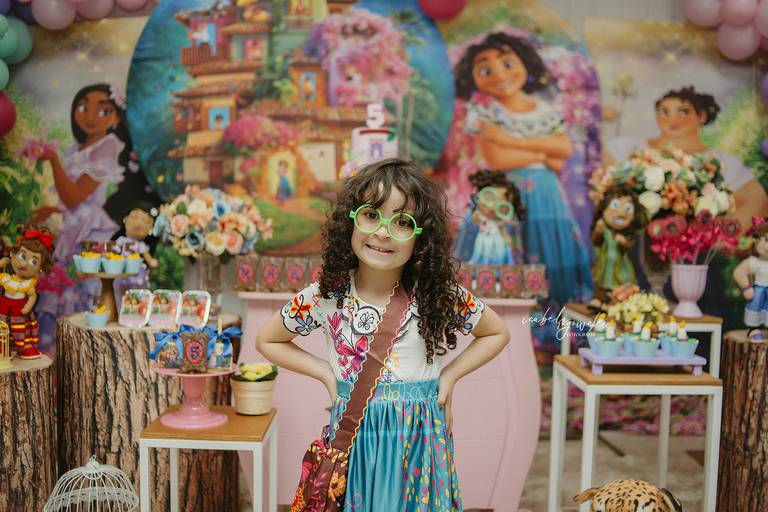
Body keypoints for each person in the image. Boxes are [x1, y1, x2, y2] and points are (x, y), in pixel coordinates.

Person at [256, 159, 510, 511]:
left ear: (421, 237)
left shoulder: (436, 293)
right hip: (355, 438)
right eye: (371, 215)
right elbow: (268, 340)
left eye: (402, 222)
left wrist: (449, 377)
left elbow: (496, 332)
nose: (383, 232)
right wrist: (326, 373)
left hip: (420, 440)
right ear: (350, 221)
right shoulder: (326, 296)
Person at [454, 32, 593, 303]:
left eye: (507, 63)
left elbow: (563, 150)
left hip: (546, 195)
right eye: (485, 69)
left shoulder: (546, 110)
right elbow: (498, 160)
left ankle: (549, 317)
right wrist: (542, 152)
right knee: (502, 252)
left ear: (525, 62)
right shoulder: (483, 112)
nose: (499, 74)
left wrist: (506, 138)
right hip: (503, 194)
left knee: (547, 250)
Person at [606, 85, 768, 234]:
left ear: (702, 116)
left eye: (683, 112)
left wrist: (716, 238)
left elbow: (758, 201)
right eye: (664, 112)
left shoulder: (724, 161)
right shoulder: (629, 147)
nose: (672, 120)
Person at [0, 228, 54, 359]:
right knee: (2, 327)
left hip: (20, 311)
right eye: (22, 256)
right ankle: (3, 347)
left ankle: (24, 347)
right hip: (3, 307)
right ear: (13, 254)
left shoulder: (28, 284)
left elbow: (32, 296)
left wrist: (27, 307)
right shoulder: (6, 278)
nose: (24, 264)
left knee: (22, 328)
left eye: (33, 261)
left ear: (41, 267)